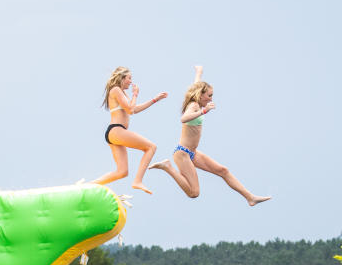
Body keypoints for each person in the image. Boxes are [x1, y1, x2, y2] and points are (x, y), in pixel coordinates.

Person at [151, 66, 270, 206]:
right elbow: (183, 118)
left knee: (223, 170)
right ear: (200, 95)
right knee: (194, 193)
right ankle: (167, 167)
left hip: (192, 153)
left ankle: (250, 198)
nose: (211, 98)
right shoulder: (194, 106)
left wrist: (198, 73)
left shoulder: (196, 101)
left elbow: (196, 85)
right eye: (209, 95)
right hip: (182, 153)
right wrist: (204, 111)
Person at [92, 67, 168, 194]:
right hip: (116, 130)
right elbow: (130, 109)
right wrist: (135, 94)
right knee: (151, 147)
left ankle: (91, 185)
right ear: (121, 79)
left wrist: (155, 100)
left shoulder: (122, 93)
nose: (131, 81)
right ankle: (137, 181)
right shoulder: (116, 90)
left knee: (122, 172)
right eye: (129, 78)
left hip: (115, 133)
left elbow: (134, 109)